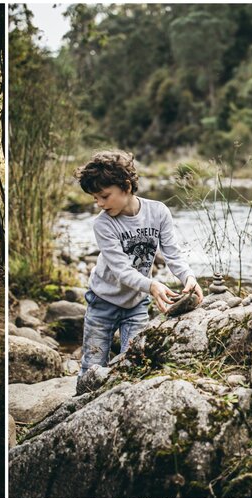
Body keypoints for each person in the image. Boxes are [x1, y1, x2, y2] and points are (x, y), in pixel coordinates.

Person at [74, 150, 203, 391]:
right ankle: (78, 410)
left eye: (104, 196)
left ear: (126, 186)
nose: (100, 204)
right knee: (92, 365)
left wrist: (189, 277)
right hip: (102, 302)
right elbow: (122, 270)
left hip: (136, 304)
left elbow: (173, 254)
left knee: (132, 363)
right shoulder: (103, 223)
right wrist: (153, 286)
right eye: (95, 199)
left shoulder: (158, 212)